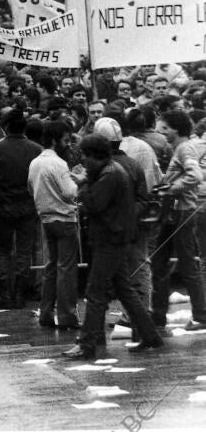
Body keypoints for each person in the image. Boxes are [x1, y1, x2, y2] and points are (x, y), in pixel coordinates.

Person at [62, 135, 163, 359]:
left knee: (95, 292)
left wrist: (82, 184)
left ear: (94, 155)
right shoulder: (113, 170)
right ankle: (150, 336)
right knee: (125, 290)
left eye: (85, 157)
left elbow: (92, 205)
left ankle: (87, 343)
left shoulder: (108, 175)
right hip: (116, 237)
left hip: (110, 239)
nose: (84, 162)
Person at [0, 108, 41, 308]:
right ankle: (19, 292)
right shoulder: (36, 148)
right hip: (28, 206)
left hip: (3, 206)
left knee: (2, 250)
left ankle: (5, 292)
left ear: (6, 127)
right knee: (24, 251)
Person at [151, 110, 206, 330]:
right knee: (159, 261)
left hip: (183, 210)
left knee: (186, 265)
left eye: (164, 129)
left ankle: (201, 316)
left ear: (176, 129)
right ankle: (157, 313)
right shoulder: (181, 148)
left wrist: (172, 189)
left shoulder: (185, 149)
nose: (160, 133)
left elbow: (195, 175)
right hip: (176, 211)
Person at [27, 120, 80, 330]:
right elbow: (70, 193)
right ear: (54, 140)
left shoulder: (35, 162)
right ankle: (67, 315)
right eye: (65, 140)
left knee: (51, 267)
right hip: (64, 218)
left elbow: (31, 188)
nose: (67, 144)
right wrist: (80, 179)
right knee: (66, 269)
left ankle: (46, 312)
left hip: (45, 218)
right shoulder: (58, 164)